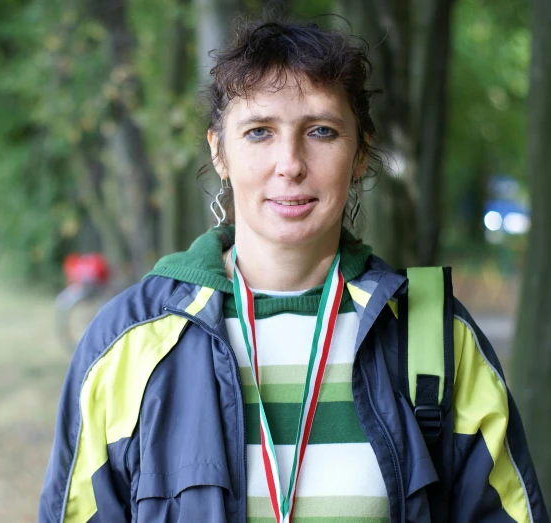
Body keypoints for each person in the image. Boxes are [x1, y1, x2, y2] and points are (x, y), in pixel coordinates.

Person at [39, 19, 549, 523]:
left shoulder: (438, 340)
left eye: (321, 131)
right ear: (219, 151)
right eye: (259, 132)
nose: (290, 163)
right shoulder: (129, 342)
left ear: (360, 153)